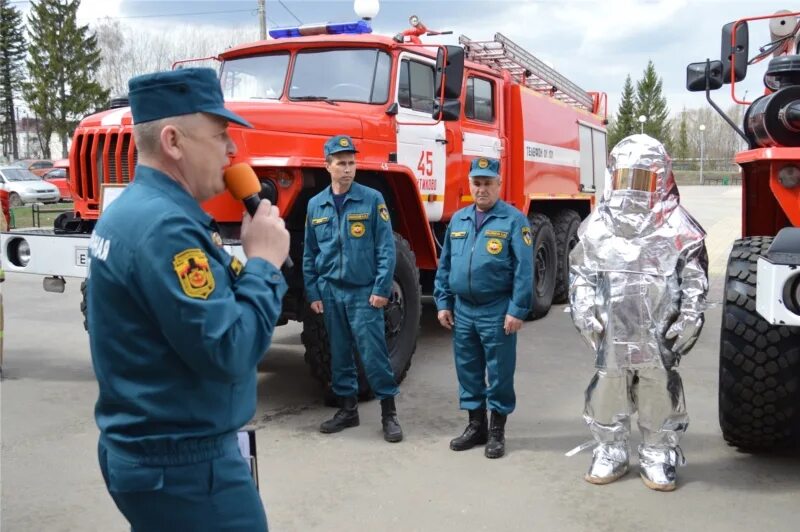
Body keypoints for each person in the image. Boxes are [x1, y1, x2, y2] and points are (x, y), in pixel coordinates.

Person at [86, 68, 290, 531]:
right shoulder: (167, 229)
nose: (233, 149)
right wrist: (264, 263)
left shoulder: (133, 211)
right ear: (174, 142)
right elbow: (230, 350)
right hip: (186, 469)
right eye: (220, 135)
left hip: (154, 454)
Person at [568, 134, 708, 491]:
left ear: (661, 179)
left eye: (643, 179)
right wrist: (584, 309)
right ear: (614, 178)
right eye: (626, 178)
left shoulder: (680, 229)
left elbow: (694, 280)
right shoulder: (597, 226)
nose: (633, 189)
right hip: (610, 332)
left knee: (658, 389)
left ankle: (658, 451)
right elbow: (581, 272)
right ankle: (610, 449)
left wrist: (690, 317)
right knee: (608, 388)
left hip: (658, 334)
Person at [303, 134, 403, 443]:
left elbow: (386, 249)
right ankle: (348, 410)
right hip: (331, 291)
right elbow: (310, 253)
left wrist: (381, 288)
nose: (347, 169)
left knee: (374, 355)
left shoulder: (372, 199)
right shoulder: (315, 205)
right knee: (339, 353)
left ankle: (389, 414)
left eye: (351, 163)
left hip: (364, 292)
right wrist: (314, 292)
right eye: (341, 163)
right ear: (327, 166)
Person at [433, 157, 533, 459]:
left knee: (499, 372)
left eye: (488, 183)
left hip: (496, 309)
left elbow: (524, 270)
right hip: (463, 310)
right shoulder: (459, 220)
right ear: (470, 185)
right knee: (468, 370)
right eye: (477, 183)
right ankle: (475, 426)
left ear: (499, 185)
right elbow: (445, 265)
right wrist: (442, 302)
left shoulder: (514, 220)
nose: (482, 189)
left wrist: (517, 309)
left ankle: (497, 431)